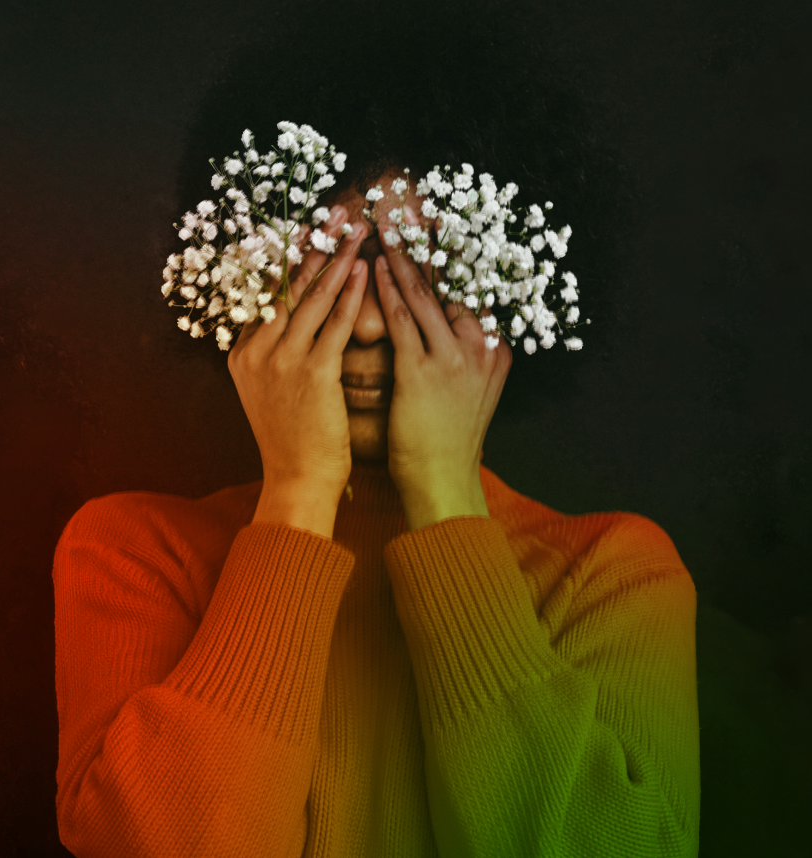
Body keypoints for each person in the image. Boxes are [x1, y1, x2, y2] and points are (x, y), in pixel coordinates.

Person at [52, 5, 698, 856]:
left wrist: (444, 493)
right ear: (247, 278)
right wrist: (298, 494)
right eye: (326, 271)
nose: (363, 327)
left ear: (508, 292)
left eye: (416, 274)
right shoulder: (133, 555)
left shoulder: (610, 576)